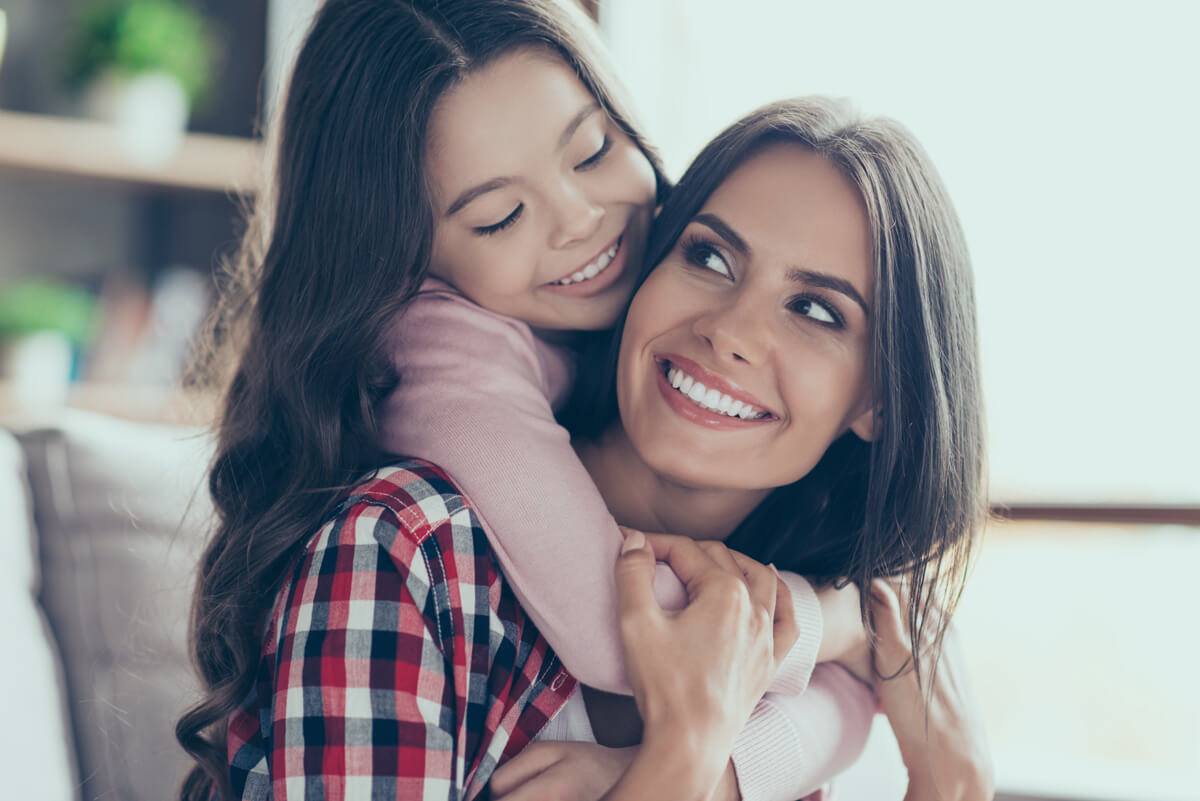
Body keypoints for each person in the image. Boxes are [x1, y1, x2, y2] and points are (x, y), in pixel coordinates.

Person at [176, 2, 876, 800]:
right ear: (405, 262)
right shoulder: (431, 398)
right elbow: (632, 633)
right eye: (499, 215)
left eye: (593, 150)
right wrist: (822, 642)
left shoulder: (757, 492)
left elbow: (874, 688)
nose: (581, 219)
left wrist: (912, 746)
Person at [484, 97, 990, 799]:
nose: (730, 331)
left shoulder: (808, 696)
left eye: (815, 308)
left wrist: (954, 778)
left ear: (880, 402)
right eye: (710, 256)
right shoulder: (418, 551)